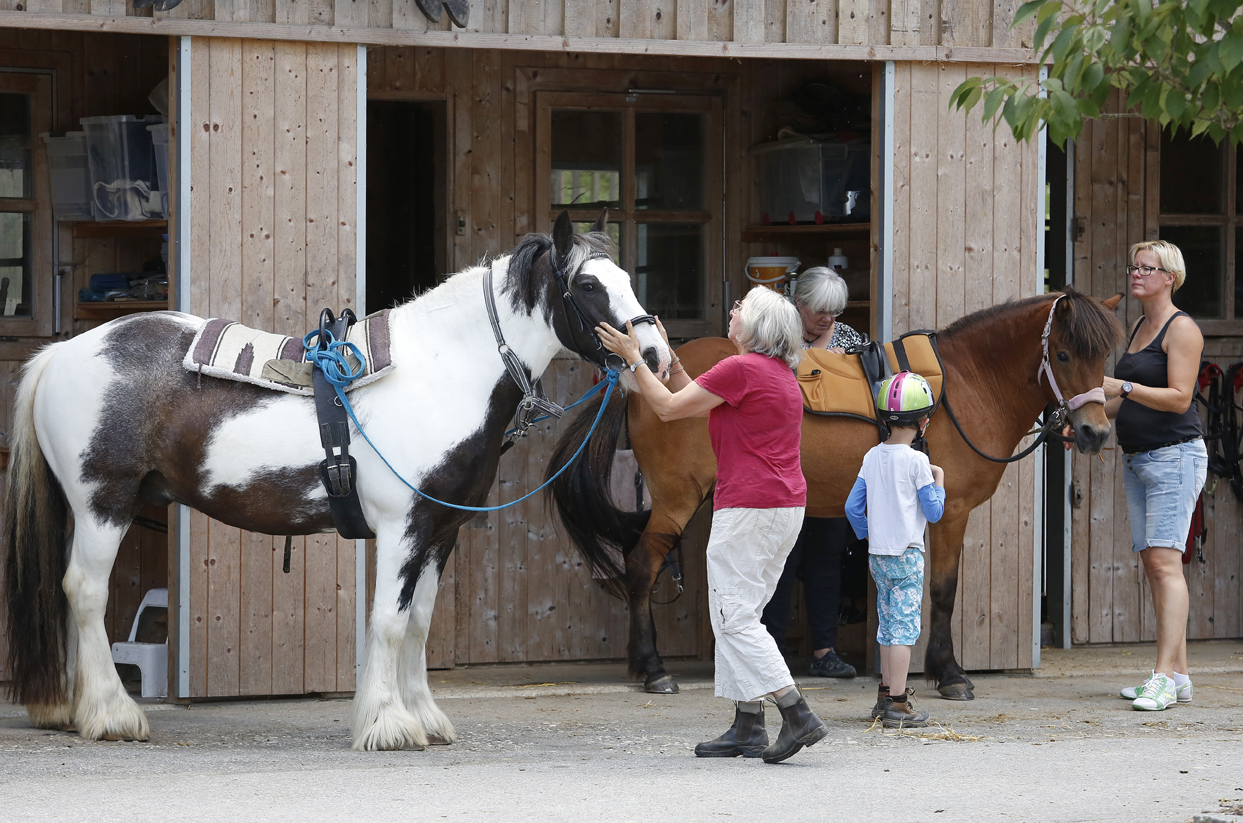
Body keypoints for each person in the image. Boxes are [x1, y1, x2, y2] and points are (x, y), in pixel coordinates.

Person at [596, 287, 828, 764]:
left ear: (757, 326)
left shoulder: (742, 368)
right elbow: (690, 393)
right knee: (740, 612)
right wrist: (673, 358)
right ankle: (747, 724)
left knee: (734, 616)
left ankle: (796, 711)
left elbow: (665, 407)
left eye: (742, 307)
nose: (734, 310)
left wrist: (634, 358)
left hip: (749, 508)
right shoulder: (775, 372)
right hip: (781, 507)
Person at [1106, 240, 1207, 712]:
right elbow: (1119, 401)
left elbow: (1180, 398)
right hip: (1138, 458)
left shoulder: (1180, 328)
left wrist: (1121, 385)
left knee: (1166, 565)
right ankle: (1180, 675)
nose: (1136, 274)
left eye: (1148, 268)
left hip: (1175, 457)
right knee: (1156, 564)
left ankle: (1163, 677)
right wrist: (1080, 413)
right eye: (1134, 266)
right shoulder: (1138, 328)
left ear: (1170, 277)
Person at [762, 266, 866, 678]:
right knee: (780, 562)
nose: (827, 319)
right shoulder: (772, 337)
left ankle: (825, 651)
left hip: (832, 474)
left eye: (834, 311)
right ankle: (772, 654)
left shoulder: (852, 342)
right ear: (797, 302)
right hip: (783, 469)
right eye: (819, 310)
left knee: (827, 560)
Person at [844, 372, 945, 728]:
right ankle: (899, 704)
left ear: (885, 418)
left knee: (886, 627)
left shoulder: (871, 456)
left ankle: (885, 695)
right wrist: (940, 482)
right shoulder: (917, 462)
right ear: (924, 421)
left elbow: (852, 509)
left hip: (878, 558)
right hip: (907, 556)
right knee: (903, 629)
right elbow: (934, 513)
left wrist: (870, 536)